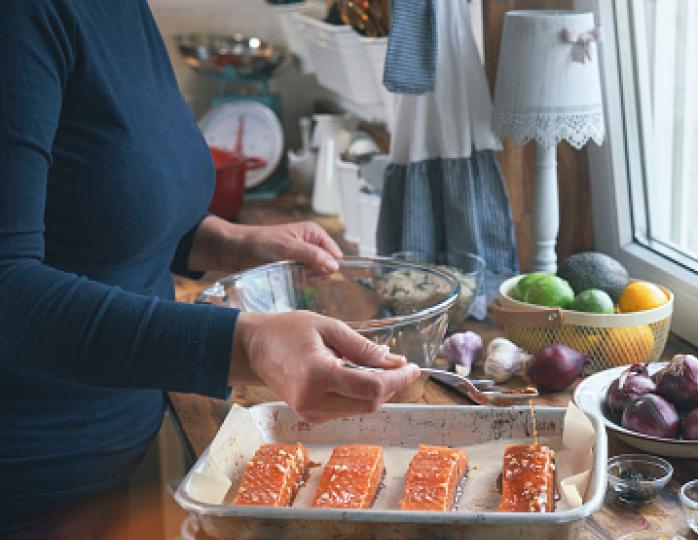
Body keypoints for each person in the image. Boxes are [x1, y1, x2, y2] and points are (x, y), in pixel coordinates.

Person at [0, 2, 421, 536]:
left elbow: (88, 205)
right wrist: (247, 347)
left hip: (105, 474)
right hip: (26, 493)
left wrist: (228, 243)